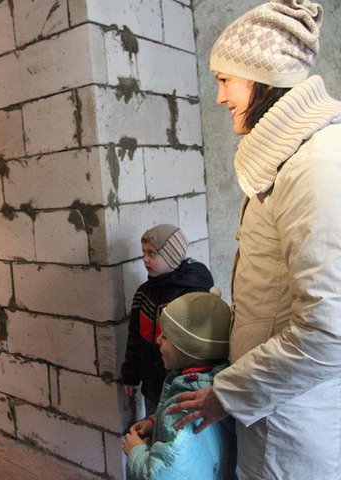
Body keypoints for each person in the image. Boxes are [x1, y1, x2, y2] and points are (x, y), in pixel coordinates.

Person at [169, 1, 341, 479]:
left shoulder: (314, 166)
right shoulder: (290, 159)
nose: (219, 97)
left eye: (226, 80)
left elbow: (330, 331)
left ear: (263, 78)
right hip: (276, 414)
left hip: (289, 431)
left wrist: (226, 395)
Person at [123, 290, 236, 480]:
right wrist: (156, 423)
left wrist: (136, 451)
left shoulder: (187, 409)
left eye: (166, 336)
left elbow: (165, 475)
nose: (158, 340)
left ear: (189, 349)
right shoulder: (215, 382)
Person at [122, 224, 213, 418]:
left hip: (183, 385)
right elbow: (135, 338)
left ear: (172, 256)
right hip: (152, 387)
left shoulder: (192, 294)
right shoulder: (143, 294)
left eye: (152, 253)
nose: (145, 259)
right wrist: (130, 374)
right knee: (152, 426)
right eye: (143, 252)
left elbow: (202, 344)